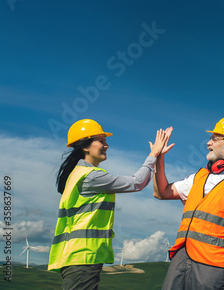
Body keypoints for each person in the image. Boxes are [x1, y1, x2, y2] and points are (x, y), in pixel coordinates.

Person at [48, 118, 173, 290]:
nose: (106, 145)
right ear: (85, 146)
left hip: (78, 256)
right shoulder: (90, 176)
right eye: (101, 141)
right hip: (83, 255)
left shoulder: (76, 174)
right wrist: (153, 155)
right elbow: (137, 183)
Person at [153, 117, 224, 290]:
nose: (208, 143)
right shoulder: (198, 177)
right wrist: (158, 158)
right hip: (181, 258)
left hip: (213, 268)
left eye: (214, 139)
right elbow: (161, 192)